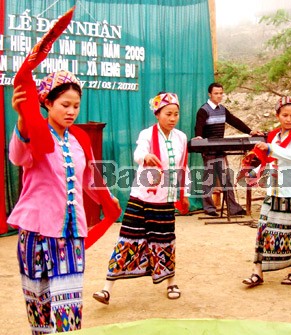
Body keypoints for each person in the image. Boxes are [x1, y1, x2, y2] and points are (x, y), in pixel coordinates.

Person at [9, 70, 120, 333]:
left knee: (69, 310)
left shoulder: (80, 138)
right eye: (65, 105)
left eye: (76, 106)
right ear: (47, 103)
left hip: (70, 236)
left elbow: (87, 179)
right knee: (40, 307)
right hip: (36, 232)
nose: (71, 111)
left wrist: (107, 200)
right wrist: (23, 119)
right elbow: (17, 156)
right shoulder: (36, 133)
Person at [93, 92, 190, 303]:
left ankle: (171, 282)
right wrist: (145, 157)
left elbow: (184, 167)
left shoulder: (181, 137)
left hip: (166, 199)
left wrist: (185, 194)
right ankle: (106, 288)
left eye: (175, 114)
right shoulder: (147, 134)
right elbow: (138, 153)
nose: (173, 118)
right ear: (157, 114)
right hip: (142, 197)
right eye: (168, 114)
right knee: (126, 240)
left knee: (165, 240)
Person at [242, 96, 291, 287]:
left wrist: (271, 148)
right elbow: (269, 161)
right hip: (275, 190)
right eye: (285, 115)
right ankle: (258, 271)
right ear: (277, 115)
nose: (289, 119)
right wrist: (253, 172)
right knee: (263, 230)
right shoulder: (274, 136)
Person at [194, 82, 263, 216]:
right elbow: (199, 127)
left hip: (220, 148)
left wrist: (250, 131)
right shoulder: (204, 110)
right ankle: (209, 208)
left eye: (221, 93)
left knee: (226, 178)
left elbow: (234, 121)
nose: (219, 96)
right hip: (209, 150)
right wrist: (198, 136)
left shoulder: (222, 110)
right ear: (210, 94)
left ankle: (232, 208)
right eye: (216, 93)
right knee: (209, 178)